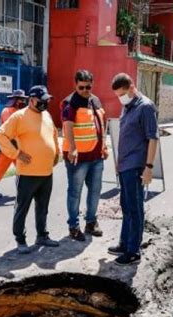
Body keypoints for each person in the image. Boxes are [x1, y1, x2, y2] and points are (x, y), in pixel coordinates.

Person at [0, 85, 60, 254]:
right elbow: (0, 135)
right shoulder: (19, 116)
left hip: (46, 172)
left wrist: (56, 153)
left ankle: (42, 236)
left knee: (43, 207)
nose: (45, 103)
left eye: (47, 100)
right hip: (27, 173)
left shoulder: (46, 115)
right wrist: (15, 153)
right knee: (22, 207)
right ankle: (20, 239)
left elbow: (53, 134)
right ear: (31, 100)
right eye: (42, 100)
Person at [108, 73, 158, 265]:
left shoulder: (145, 107)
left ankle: (133, 251)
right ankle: (124, 242)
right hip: (125, 165)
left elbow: (153, 138)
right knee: (126, 206)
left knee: (135, 208)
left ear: (131, 87)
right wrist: (119, 161)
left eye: (122, 94)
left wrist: (149, 167)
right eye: (118, 95)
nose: (121, 98)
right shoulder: (127, 107)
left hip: (137, 165)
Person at [61, 70, 108, 241]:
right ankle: (73, 226)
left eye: (88, 86)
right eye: (81, 87)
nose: (85, 90)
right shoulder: (70, 102)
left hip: (96, 156)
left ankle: (91, 222)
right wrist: (72, 148)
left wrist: (104, 146)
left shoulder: (95, 100)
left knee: (95, 191)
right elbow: (67, 125)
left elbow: (101, 125)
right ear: (75, 84)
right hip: (78, 158)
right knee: (75, 192)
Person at [0, 89, 29, 198]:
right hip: (7, 145)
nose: (23, 102)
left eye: (24, 99)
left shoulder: (22, 112)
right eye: (20, 99)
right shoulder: (7, 111)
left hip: (18, 145)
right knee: (0, 168)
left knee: (22, 169)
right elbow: (11, 128)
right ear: (15, 100)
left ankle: (23, 190)